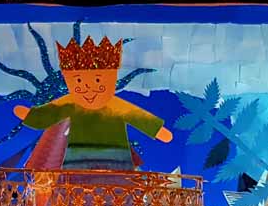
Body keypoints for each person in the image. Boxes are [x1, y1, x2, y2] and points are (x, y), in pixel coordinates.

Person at [14, 36, 173, 171]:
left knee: (116, 187)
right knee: (79, 187)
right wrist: (32, 116)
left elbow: (139, 117)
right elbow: (50, 113)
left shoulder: (115, 105)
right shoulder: (71, 103)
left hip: (115, 161)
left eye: (97, 80)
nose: (88, 87)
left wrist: (157, 130)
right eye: (78, 80)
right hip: (78, 162)